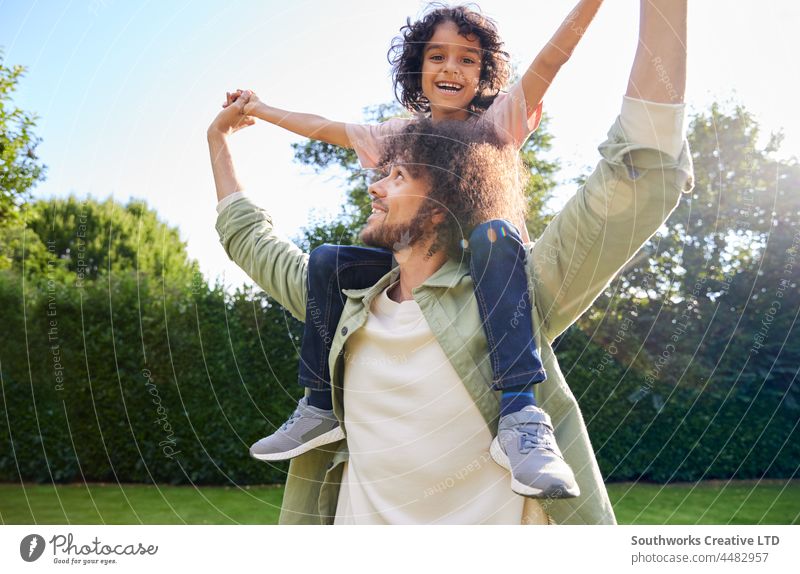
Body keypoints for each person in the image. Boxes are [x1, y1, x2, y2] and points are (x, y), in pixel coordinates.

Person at [208, 0, 693, 524]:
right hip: (406, 274)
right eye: (437, 56)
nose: (450, 69)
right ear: (417, 66)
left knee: (493, 240)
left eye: (467, 59)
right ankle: (319, 406)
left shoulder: (495, 134)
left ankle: (520, 414)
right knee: (328, 261)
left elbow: (563, 75)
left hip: (492, 275)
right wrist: (246, 118)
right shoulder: (354, 299)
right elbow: (310, 148)